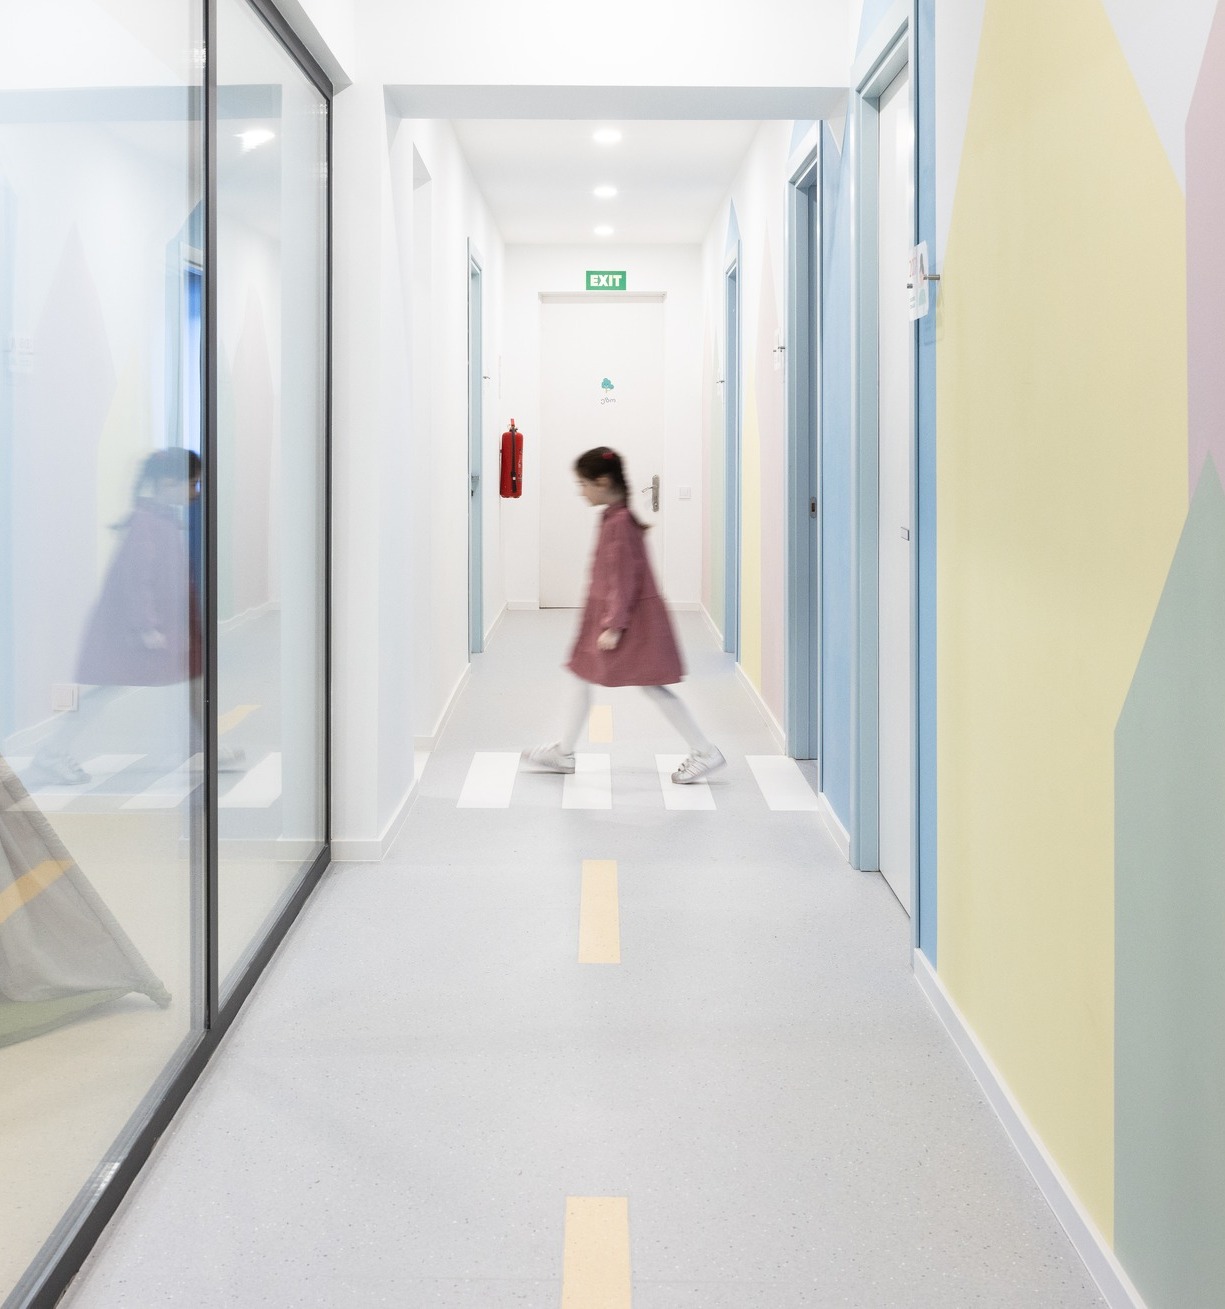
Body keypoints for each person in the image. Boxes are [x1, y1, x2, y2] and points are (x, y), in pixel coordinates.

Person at [32, 447, 241, 785]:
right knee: (107, 690)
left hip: (159, 627)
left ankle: (203, 748)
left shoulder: (159, 519)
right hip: (137, 632)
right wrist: (148, 628)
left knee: (192, 679)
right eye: (192, 483)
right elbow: (137, 579)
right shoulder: (148, 524)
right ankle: (51, 752)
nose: (195, 492)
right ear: (169, 483)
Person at [524, 446, 725, 784]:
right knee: (584, 675)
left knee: (650, 686)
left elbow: (624, 578)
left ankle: (705, 751)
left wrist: (614, 626)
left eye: (583, 484)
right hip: (613, 616)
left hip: (625, 621)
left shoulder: (619, 523)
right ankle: (564, 752)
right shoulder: (615, 517)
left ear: (602, 482)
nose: (581, 492)